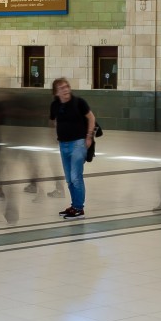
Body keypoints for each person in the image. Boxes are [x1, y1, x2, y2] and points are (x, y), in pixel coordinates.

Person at [50, 77, 95, 219]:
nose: (66, 90)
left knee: (76, 177)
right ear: (56, 92)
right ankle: (74, 205)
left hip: (78, 143)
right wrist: (58, 134)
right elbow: (55, 120)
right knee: (69, 178)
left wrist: (88, 137)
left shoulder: (79, 102)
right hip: (64, 144)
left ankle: (79, 208)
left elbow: (91, 118)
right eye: (62, 88)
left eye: (67, 87)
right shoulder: (54, 105)